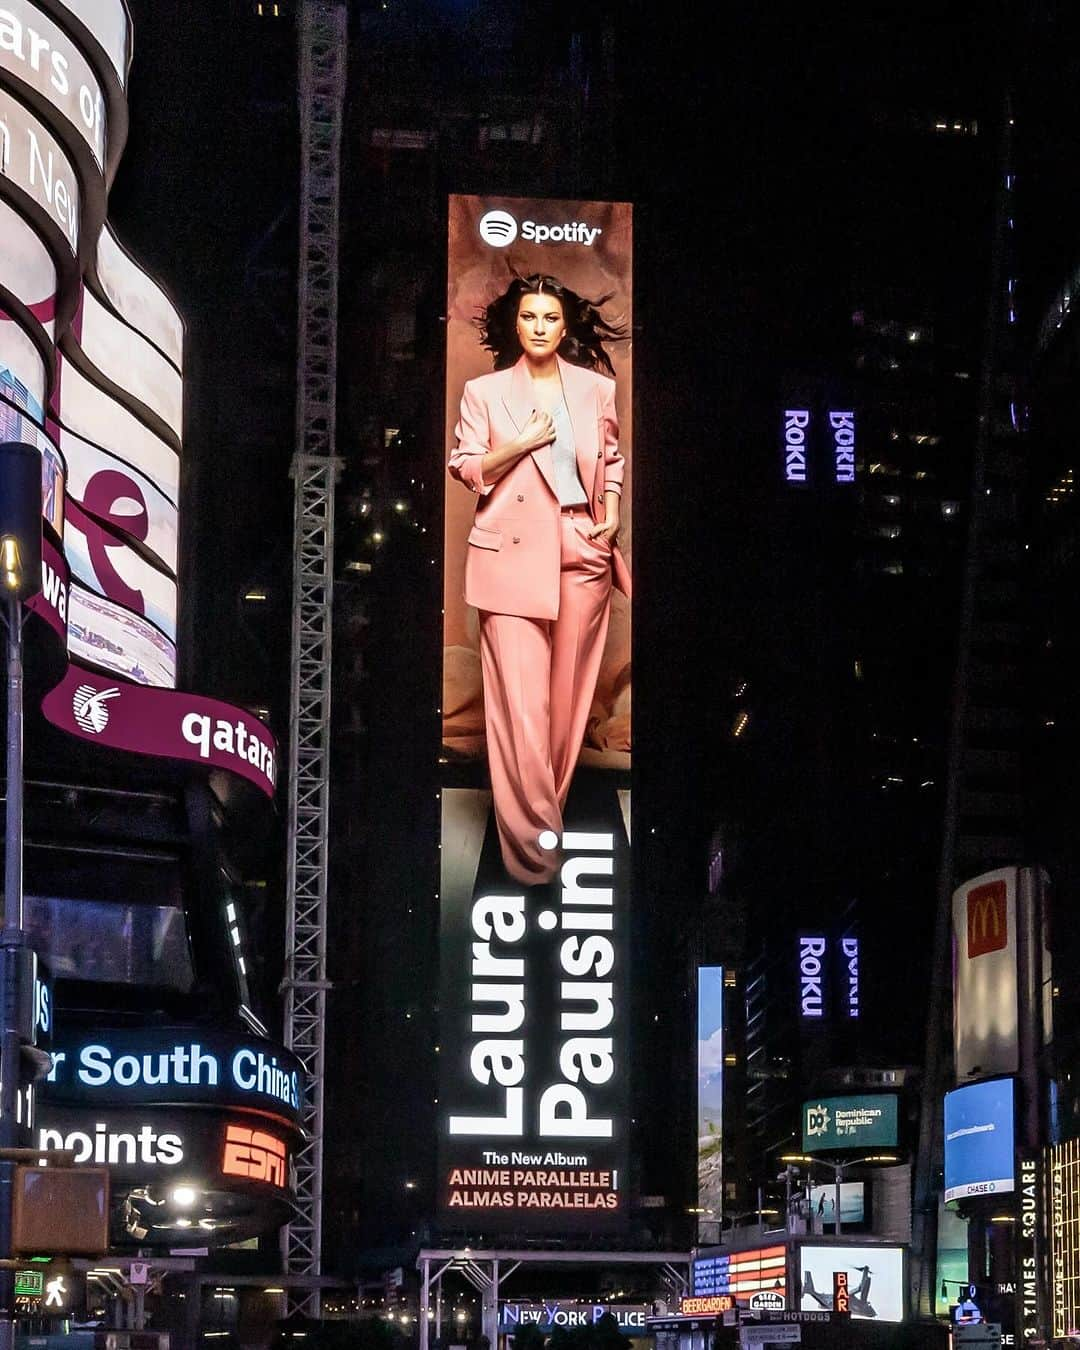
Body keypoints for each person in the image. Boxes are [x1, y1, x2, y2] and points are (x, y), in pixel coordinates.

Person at [448, 272, 630, 884]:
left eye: (550, 318)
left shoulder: (596, 390)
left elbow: (611, 458)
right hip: (509, 558)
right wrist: (518, 443)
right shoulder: (485, 391)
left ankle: (534, 832)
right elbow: (467, 466)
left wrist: (611, 519)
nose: (540, 328)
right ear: (515, 323)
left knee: (564, 714)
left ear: (566, 324)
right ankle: (536, 853)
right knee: (522, 711)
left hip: (582, 549)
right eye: (529, 317)